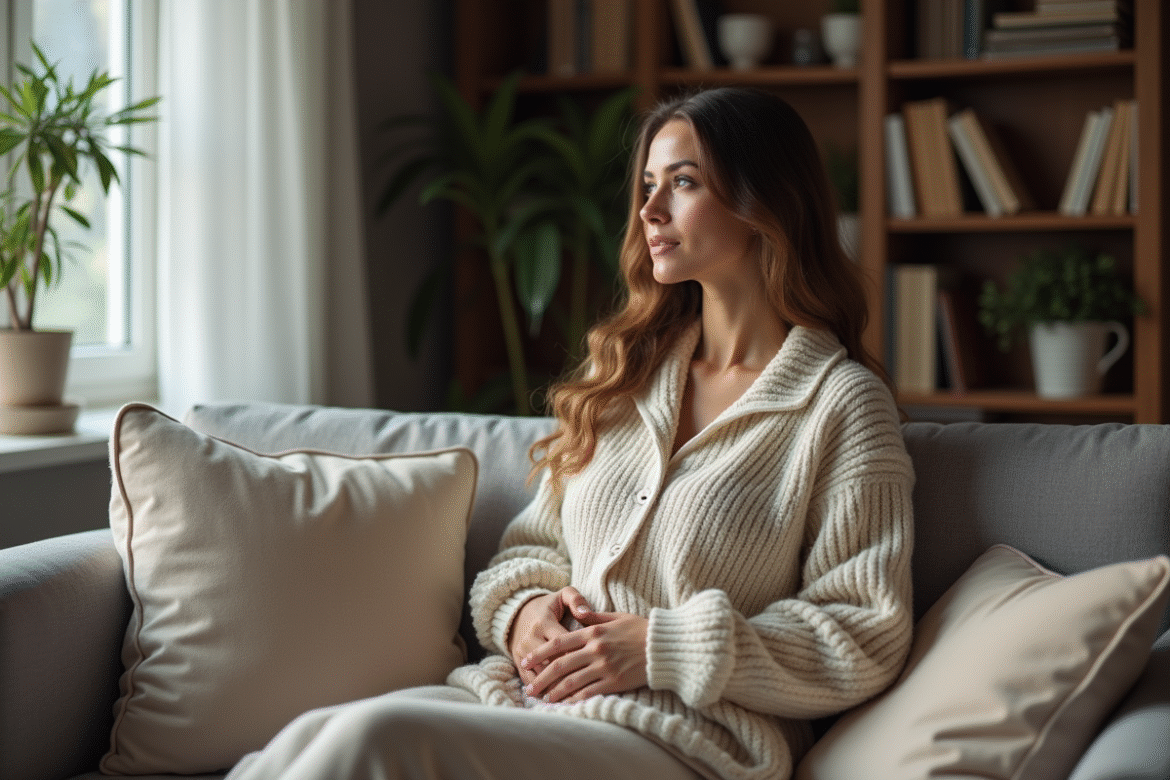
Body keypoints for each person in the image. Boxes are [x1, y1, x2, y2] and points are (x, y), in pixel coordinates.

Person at [226, 87, 914, 780]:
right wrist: (525, 614)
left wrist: (659, 649)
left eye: (683, 183)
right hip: (524, 702)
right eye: (648, 185)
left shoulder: (841, 405)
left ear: (765, 203)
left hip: (681, 739)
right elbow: (531, 549)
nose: (649, 210)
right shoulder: (625, 375)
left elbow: (864, 631)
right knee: (309, 737)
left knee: (377, 739)